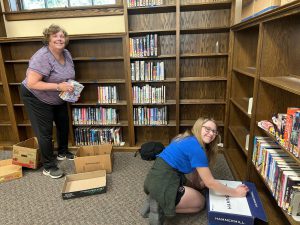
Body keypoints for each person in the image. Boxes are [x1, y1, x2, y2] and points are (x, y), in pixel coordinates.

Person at [142, 118, 249, 225]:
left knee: (197, 189)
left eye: (214, 131)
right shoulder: (197, 149)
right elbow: (210, 182)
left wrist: (198, 186)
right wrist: (236, 192)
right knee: (200, 203)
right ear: (198, 127)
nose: (211, 133)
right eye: (207, 129)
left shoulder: (185, 138)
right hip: (165, 181)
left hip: (155, 177)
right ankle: (160, 206)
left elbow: (195, 174)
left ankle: (157, 197)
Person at [20, 24, 76, 179]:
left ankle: (63, 151)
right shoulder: (42, 56)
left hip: (57, 95)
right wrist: (59, 86)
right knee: (44, 132)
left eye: (62, 36)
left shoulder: (66, 53)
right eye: (55, 36)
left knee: (63, 123)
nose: (59, 39)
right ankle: (49, 166)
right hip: (35, 96)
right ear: (48, 40)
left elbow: (67, 75)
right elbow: (32, 83)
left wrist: (71, 87)